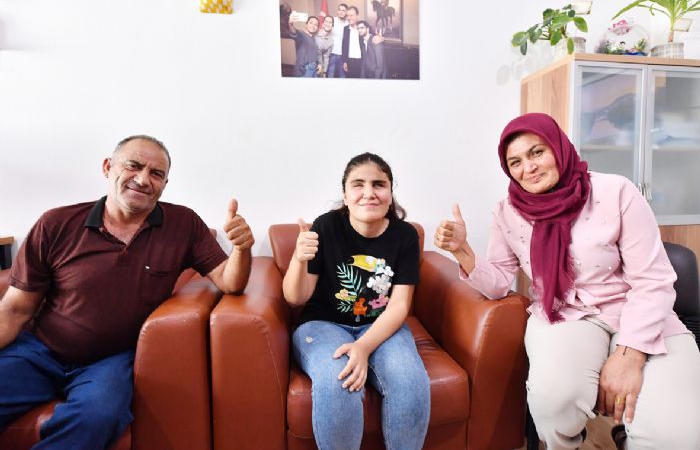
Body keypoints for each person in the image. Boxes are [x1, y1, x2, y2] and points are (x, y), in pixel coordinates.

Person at [434, 112, 700, 450]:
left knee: (674, 437)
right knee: (554, 402)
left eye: (537, 152)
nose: (528, 167)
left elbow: (652, 280)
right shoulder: (507, 212)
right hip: (564, 314)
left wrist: (630, 355)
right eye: (515, 162)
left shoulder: (616, 191)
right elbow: (499, 282)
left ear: (558, 147)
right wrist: (463, 251)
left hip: (639, 310)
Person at [0, 135, 254, 449]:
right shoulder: (56, 223)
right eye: (133, 166)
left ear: (164, 184)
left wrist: (242, 248)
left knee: (98, 417)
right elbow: (14, 309)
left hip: (111, 360)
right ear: (108, 167)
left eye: (156, 174)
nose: (143, 179)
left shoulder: (183, 224)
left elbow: (230, 282)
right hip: (40, 351)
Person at [283, 153, 430, 450]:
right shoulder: (325, 227)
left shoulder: (405, 235)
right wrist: (299, 259)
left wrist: (363, 347)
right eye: (358, 184)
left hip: (381, 325)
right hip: (322, 324)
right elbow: (295, 297)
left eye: (379, 184)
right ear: (345, 195)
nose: (369, 193)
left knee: (410, 381)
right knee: (339, 380)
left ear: (390, 193)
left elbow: (400, 306)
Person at [327, 3, 349, 78]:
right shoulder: (332, 20)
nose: (341, 12)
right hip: (332, 53)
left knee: (342, 76)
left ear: (346, 12)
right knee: (330, 75)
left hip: (343, 55)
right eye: (339, 10)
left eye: (343, 10)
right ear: (337, 11)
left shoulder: (348, 23)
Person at [341, 6, 362, 79]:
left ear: (357, 16)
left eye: (351, 15)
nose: (349, 18)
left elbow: (374, 35)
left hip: (361, 62)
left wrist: (380, 38)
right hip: (349, 62)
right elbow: (344, 46)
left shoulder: (363, 27)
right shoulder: (346, 29)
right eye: (347, 16)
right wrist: (344, 61)